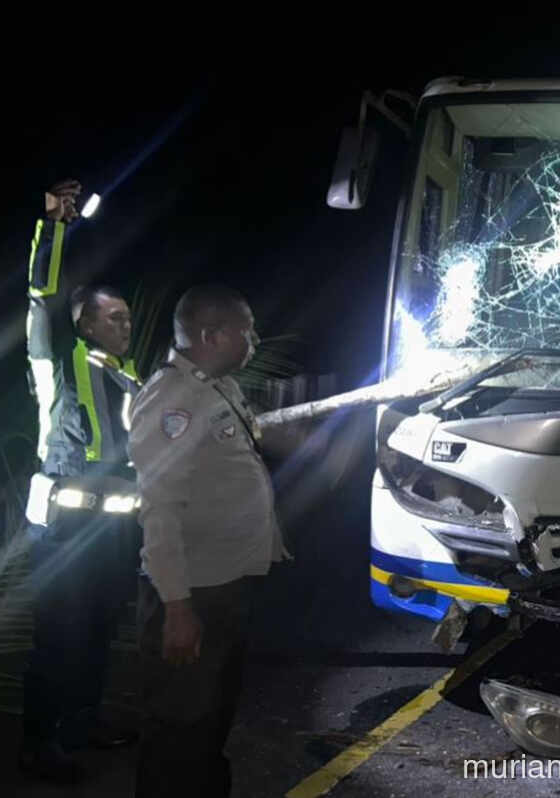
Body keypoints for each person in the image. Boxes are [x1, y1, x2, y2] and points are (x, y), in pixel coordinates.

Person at [129, 284, 288, 797]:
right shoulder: (172, 400)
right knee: (179, 731)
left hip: (224, 586)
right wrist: (177, 607)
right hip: (192, 592)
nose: (256, 341)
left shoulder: (215, 386)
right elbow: (159, 510)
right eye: (248, 330)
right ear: (214, 335)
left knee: (209, 723)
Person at [20, 179, 142, 783]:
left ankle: (82, 723)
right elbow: (43, 295)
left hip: (114, 528)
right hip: (66, 526)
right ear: (85, 323)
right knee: (59, 639)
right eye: (114, 318)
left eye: (127, 318)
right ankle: (38, 744)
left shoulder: (126, 374)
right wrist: (56, 225)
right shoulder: (56, 354)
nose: (125, 325)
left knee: (97, 633)